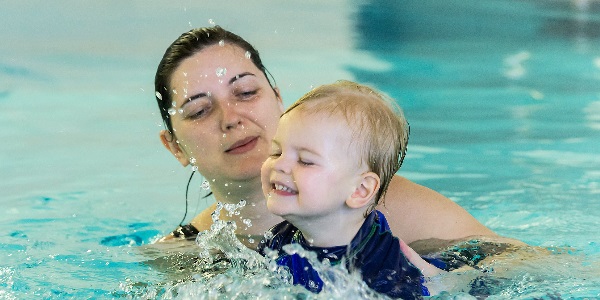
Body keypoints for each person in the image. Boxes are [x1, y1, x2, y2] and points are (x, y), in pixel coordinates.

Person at [153, 25, 501, 252]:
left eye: (245, 92)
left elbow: (524, 267)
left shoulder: (377, 203)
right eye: (199, 111)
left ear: (278, 99)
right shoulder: (182, 252)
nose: (231, 119)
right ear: (175, 147)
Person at [257, 80, 434, 298]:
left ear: (359, 189)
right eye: (276, 152)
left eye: (305, 161)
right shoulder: (279, 240)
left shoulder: (385, 274)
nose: (280, 165)